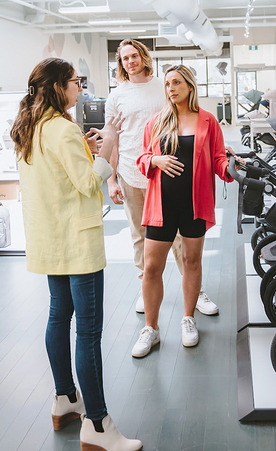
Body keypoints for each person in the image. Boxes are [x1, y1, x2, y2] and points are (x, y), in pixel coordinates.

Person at [11, 58, 142, 451]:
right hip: (77, 243)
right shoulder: (63, 129)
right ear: (56, 87)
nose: (80, 89)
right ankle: (98, 426)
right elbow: (87, 184)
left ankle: (65, 399)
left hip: (51, 240)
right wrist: (110, 146)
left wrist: (85, 150)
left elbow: (56, 176)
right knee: (88, 333)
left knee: (58, 316)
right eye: (74, 82)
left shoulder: (30, 127)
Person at [105, 39, 219, 316]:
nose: (130, 62)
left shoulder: (163, 86)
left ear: (144, 57)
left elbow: (186, 122)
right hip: (134, 173)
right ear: (120, 64)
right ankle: (146, 287)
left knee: (183, 239)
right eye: (125, 58)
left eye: (135, 56)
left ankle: (195, 291)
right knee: (140, 237)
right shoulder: (116, 96)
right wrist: (111, 179)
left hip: (169, 178)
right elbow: (113, 141)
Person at [131, 65, 233, 358]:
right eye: (167, 84)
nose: (171, 88)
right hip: (161, 205)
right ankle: (151, 329)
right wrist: (155, 160)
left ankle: (188, 319)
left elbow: (218, 158)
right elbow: (142, 157)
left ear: (190, 86)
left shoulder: (207, 121)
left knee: (191, 260)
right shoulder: (156, 122)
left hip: (194, 204)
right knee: (152, 267)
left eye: (176, 83)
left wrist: (231, 170)